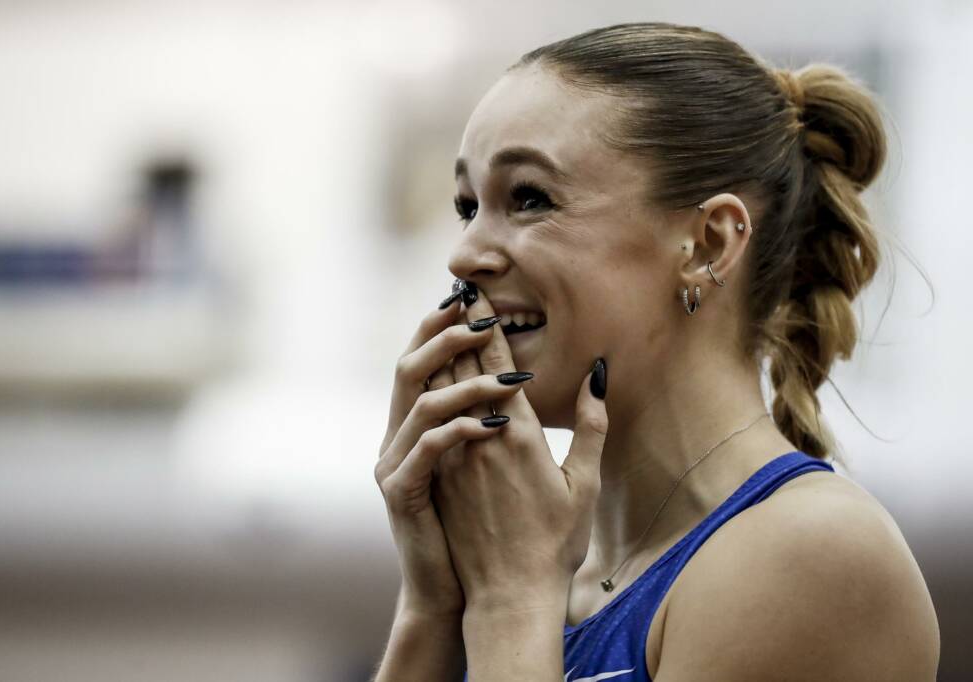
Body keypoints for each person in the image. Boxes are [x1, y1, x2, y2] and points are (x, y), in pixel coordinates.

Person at [372, 21, 940, 681]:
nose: (464, 254)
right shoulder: (532, 563)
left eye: (528, 198)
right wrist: (431, 604)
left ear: (706, 245)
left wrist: (508, 605)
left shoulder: (813, 555)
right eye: (469, 206)